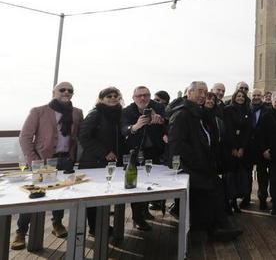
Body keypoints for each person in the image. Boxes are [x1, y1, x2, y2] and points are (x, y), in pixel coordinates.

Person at [12, 82, 84, 250]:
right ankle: (21, 232)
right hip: (42, 161)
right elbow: (25, 137)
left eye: (70, 90)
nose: (66, 92)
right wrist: (34, 161)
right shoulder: (38, 111)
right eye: (62, 90)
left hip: (66, 160)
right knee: (34, 197)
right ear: (54, 92)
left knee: (61, 195)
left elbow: (82, 135)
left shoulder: (77, 113)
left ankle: (57, 224)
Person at [168, 81, 242, 241]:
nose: (203, 95)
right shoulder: (182, 114)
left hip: (201, 164)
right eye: (199, 92)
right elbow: (177, 146)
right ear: (189, 92)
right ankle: (215, 228)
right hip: (188, 166)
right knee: (212, 187)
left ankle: (216, 225)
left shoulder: (197, 112)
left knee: (216, 185)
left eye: (205, 92)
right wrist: (198, 164)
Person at [79, 87, 125, 235]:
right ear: (101, 99)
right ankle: (95, 228)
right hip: (94, 162)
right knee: (94, 197)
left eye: (115, 95)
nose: (112, 98)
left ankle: (102, 225)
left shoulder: (119, 114)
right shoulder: (96, 113)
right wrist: (104, 152)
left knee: (107, 194)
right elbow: (84, 136)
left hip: (112, 162)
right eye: (108, 96)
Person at [121, 86, 167, 230]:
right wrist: (135, 126)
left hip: (154, 151)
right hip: (135, 152)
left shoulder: (158, 107)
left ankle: (145, 210)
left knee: (151, 182)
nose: (143, 98)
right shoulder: (127, 111)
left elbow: (169, 123)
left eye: (146, 95)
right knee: (136, 184)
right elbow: (123, 129)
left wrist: (162, 121)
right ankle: (137, 218)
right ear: (133, 98)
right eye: (139, 96)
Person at [222, 89, 252, 213]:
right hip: (230, 148)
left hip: (242, 150)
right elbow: (228, 129)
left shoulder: (247, 111)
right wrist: (234, 147)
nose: (240, 98)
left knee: (239, 176)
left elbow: (247, 131)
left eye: (243, 97)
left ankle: (236, 202)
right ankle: (229, 203)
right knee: (229, 176)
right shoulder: (228, 110)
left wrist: (242, 148)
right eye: (238, 96)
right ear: (234, 97)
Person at [248, 89, 276, 211]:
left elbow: (271, 132)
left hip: (263, 148)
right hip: (249, 147)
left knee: (264, 175)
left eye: (259, 95)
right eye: (254, 95)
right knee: (251, 175)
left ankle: (264, 199)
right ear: (251, 96)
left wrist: (267, 148)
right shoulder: (246, 110)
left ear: (262, 97)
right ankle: (248, 197)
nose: (256, 97)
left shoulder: (268, 111)